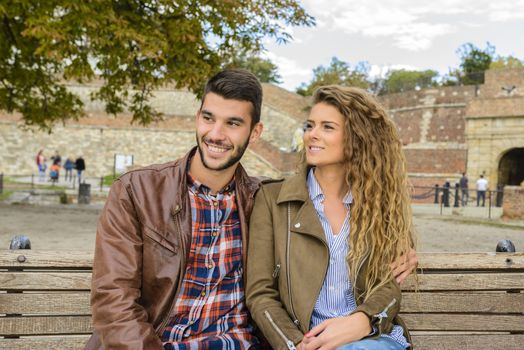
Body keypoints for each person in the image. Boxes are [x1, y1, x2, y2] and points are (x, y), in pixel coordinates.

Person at [86, 72, 417, 350]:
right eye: (208, 118)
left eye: (232, 123)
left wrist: (406, 253)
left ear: (254, 133)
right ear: (197, 118)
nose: (216, 134)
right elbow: (114, 299)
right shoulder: (137, 191)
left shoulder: (260, 197)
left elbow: (379, 259)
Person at [246, 86, 417, 350]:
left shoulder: (380, 205)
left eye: (327, 127)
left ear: (358, 137)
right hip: (303, 341)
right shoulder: (271, 199)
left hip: (370, 340)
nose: (311, 135)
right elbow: (260, 294)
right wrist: (295, 345)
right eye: (310, 125)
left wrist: (363, 320)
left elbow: (388, 284)